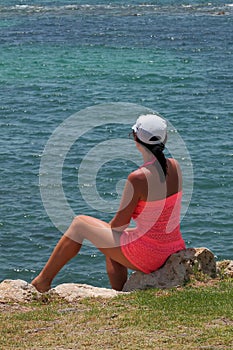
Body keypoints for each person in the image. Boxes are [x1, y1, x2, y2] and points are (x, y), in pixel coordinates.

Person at [32, 113, 186, 292]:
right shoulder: (175, 166)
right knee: (113, 240)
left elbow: (118, 226)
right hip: (172, 247)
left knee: (80, 224)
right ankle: (120, 292)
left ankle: (42, 281)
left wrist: (104, 230)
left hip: (151, 256)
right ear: (164, 139)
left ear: (135, 138)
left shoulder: (138, 178)